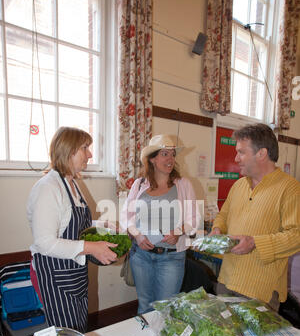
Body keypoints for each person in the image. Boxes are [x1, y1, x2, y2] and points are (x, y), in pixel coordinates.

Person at [27, 126, 118, 332]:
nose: (90, 154)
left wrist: (101, 226)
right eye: (85, 148)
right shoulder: (48, 188)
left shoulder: (72, 184)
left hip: (74, 274)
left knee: (77, 330)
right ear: (68, 150)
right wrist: (93, 248)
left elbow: (73, 225)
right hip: (55, 276)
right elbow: (45, 242)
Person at [211, 123, 300, 311]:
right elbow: (223, 215)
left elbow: (296, 236)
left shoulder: (290, 188)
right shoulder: (239, 185)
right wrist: (217, 229)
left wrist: (255, 243)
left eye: (241, 152)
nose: (236, 158)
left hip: (259, 291)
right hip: (226, 281)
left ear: (262, 153)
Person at [121, 134, 200, 314]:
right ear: (152, 159)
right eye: (165, 154)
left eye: (172, 154)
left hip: (171, 258)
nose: (170, 159)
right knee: (145, 305)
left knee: (165, 309)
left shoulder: (184, 184)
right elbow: (127, 215)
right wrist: (138, 236)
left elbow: (193, 218)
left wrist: (178, 231)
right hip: (141, 255)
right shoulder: (139, 184)